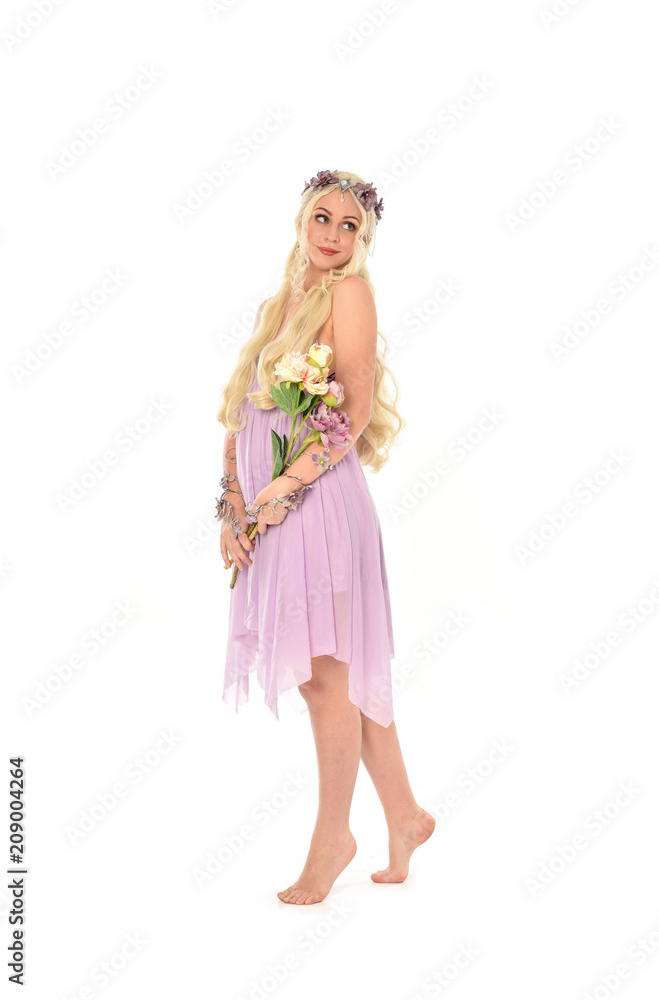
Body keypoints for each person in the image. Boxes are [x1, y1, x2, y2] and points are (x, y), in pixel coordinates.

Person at [216, 169, 435, 905]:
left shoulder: (350, 294)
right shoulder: (274, 305)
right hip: (272, 509)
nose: (333, 234)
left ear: (363, 241)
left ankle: (333, 837)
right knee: (336, 675)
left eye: (350, 226)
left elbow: (351, 409)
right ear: (301, 218)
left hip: (320, 504)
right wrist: (234, 507)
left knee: (325, 679)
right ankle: (402, 815)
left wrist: (285, 486)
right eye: (323, 216)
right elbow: (239, 418)